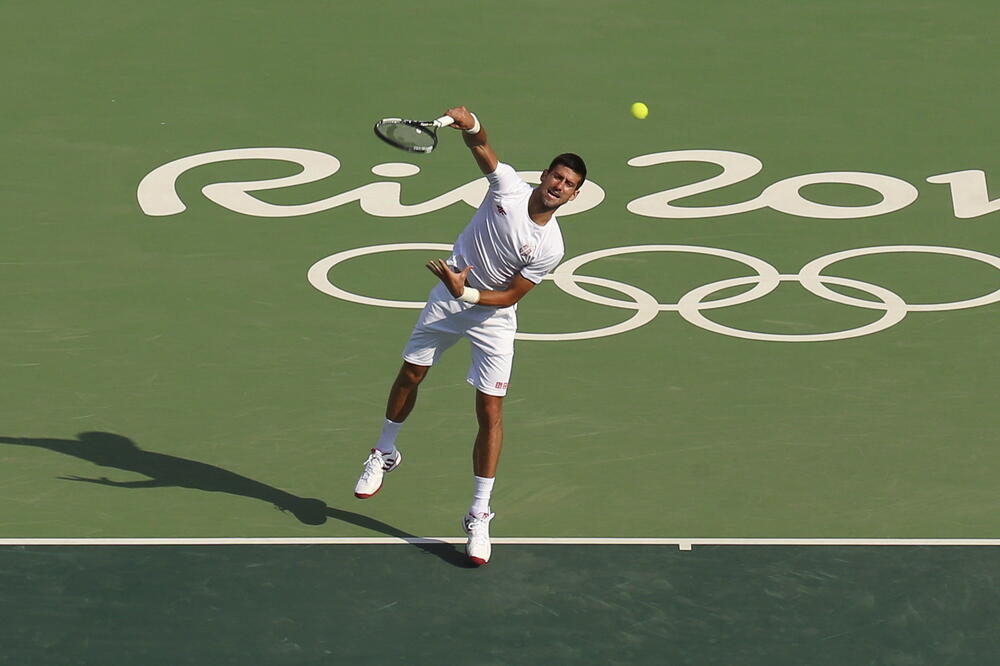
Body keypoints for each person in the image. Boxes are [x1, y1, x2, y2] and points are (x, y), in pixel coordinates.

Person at [353, 105, 587, 566]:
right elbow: (481, 148)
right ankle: (383, 452)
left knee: (489, 411)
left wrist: (470, 292)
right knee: (411, 373)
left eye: (569, 185)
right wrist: (472, 122)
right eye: (556, 177)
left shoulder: (551, 246)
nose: (559, 187)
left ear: (574, 196)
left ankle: (478, 514)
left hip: (490, 316)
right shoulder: (508, 189)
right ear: (544, 176)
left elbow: (512, 297)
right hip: (448, 297)